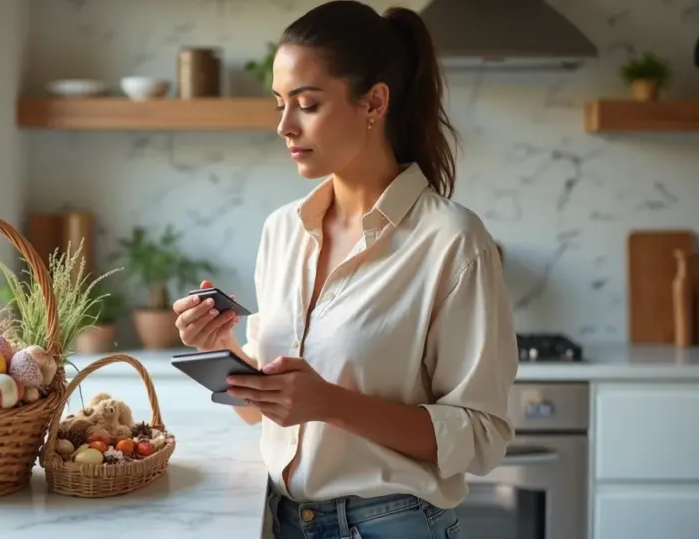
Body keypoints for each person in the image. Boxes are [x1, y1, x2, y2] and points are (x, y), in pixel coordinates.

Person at [170, 2, 518, 538]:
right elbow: (269, 414)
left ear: (374, 102)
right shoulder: (282, 231)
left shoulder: (452, 240)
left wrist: (330, 403)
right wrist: (220, 348)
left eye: (307, 104)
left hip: (393, 524)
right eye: (280, 104)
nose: (284, 126)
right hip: (284, 520)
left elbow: (480, 437)